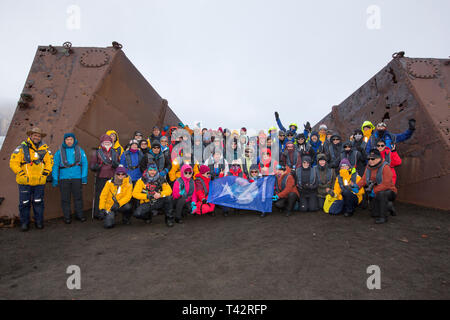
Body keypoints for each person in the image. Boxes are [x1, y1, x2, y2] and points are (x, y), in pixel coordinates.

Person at [9, 128, 53, 231]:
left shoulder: (45, 149)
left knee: (39, 202)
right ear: (30, 136)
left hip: (39, 181)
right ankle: (24, 223)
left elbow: (50, 162)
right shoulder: (21, 148)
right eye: (34, 135)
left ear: (40, 137)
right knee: (24, 203)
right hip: (25, 181)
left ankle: (39, 222)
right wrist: (21, 173)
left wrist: (45, 174)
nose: (36, 137)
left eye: (38, 136)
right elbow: (13, 163)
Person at [52, 133, 88, 224]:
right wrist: (55, 178)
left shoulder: (80, 150)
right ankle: (67, 217)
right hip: (64, 178)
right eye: (67, 139)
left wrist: (83, 177)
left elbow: (84, 163)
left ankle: (79, 215)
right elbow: (55, 165)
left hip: (77, 177)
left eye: (71, 139)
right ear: (64, 141)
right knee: (65, 199)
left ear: (74, 140)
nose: (69, 141)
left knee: (78, 197)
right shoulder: (59, 152)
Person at [356, 149, 397, 224]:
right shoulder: (368, 167)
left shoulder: (385, 167)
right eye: (369, 158)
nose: (370, 160)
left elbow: (386, 184)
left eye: (373, 158)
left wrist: (373, 191)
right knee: (374, 214)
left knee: (382, 194)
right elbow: (364, 179)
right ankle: (389, 206)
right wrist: (357, 187)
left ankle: (383, 217)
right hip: (375, 191)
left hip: (389, 191)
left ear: (379, 158)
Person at [89, 134, 120, 219]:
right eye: (105, 142)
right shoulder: (97, 152)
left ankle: (111, 211)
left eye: (108, 142)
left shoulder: (114, 152)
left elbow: (118, 163)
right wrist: (96, 166)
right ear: (102, 143)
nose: (107, 143)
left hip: (112, 176)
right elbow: (92, 165)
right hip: (101, 176)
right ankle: (99, 212)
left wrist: (116, 164)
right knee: (100, 195)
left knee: (112, 194)